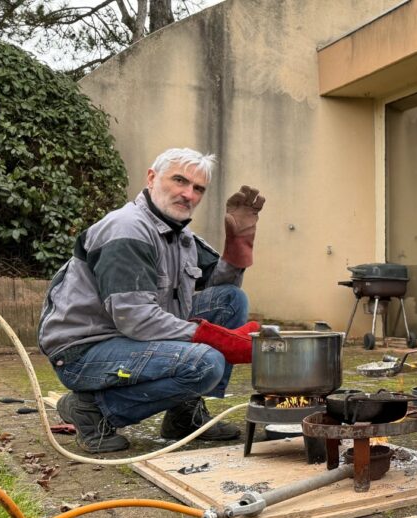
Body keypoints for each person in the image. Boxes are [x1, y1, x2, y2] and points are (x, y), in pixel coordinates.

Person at [38, 148, 265, 454]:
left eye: (198, 188)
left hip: (130, 338)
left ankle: (184, 416)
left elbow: (220, 287)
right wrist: (215, 338)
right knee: (205, 363)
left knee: (230, 300)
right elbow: (135, 318)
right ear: (151, 178)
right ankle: (93, 411)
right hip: (84, 352)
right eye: (179, 181)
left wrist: (239, 241)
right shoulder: (126, 228)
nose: (188, 194)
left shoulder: (180, 236)